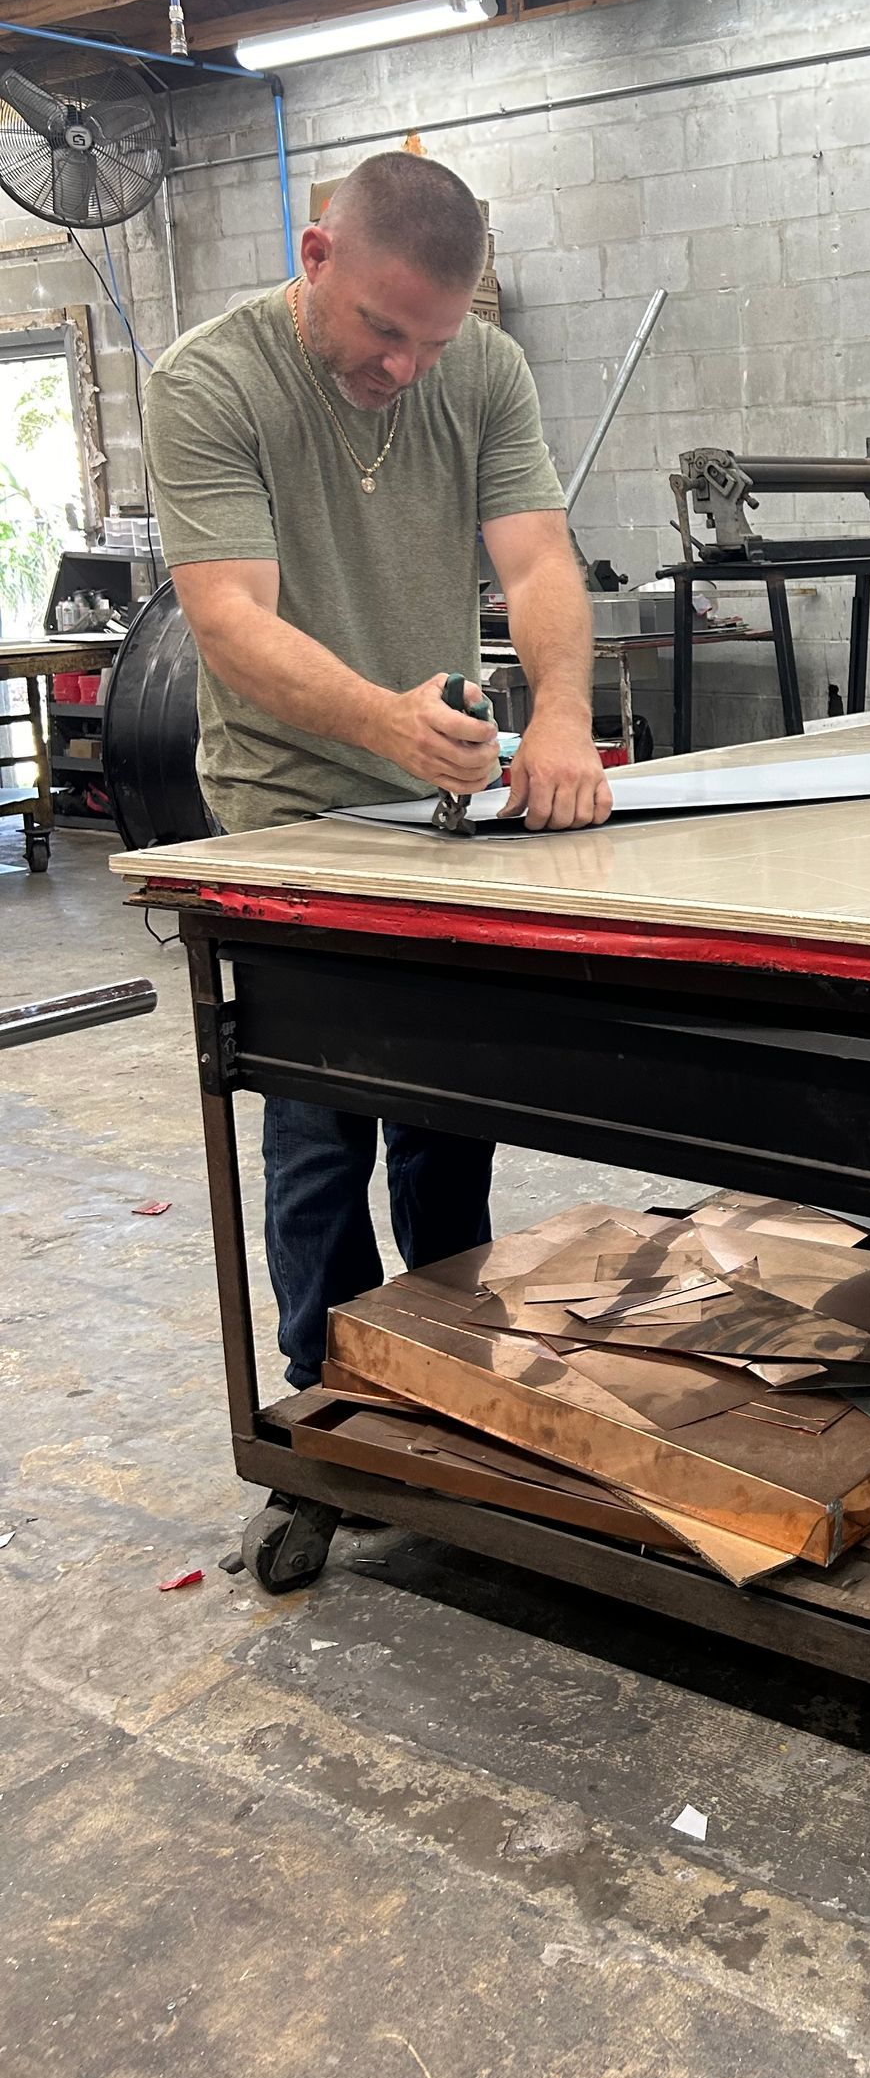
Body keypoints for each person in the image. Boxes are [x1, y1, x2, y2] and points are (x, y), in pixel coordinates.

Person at [144, 151, 611, 1387]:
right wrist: (383, 723)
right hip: (288, 809)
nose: (403, 368)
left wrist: (561, 716)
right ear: (316, 259)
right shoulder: (211, 383)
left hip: (437, 803)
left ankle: (458, 1371)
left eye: (433, 340)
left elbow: (541, 563)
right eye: (382, 330)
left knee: (454, 1107)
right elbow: (231, 622)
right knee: (321, 1119)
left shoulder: (485, 373)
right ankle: (332, 1392)